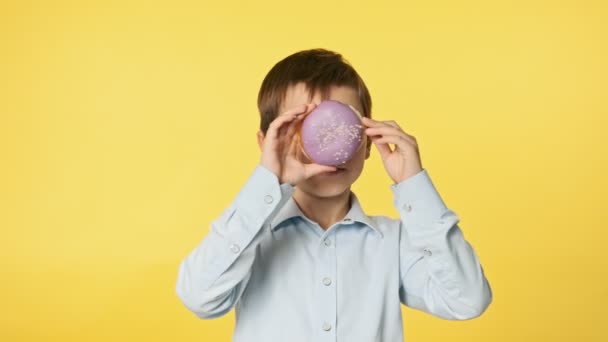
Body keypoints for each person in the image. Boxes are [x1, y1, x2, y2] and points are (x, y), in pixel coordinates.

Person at [175, 48, 492, 341]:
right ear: (267, 141)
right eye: (302, 124)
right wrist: (267, 181)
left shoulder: (392, 243)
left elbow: (466, 300)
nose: (328, 145)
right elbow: (200, 296)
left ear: (367, 140)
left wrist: (414, 184)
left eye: (347, 126)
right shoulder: (249, 238)